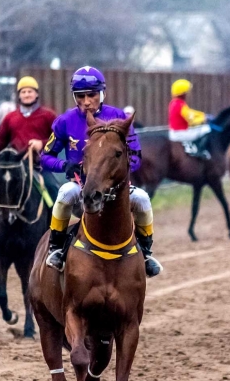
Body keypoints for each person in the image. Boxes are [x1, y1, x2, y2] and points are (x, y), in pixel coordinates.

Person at [40, 66, 161, 278]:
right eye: (80, 96)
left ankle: (147, 253)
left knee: (142, 198)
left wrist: (116, 171)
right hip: (80, 185)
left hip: (115, 187)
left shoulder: (119, 117)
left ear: (102, 93)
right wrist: (64, 165)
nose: (86, 101)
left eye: (92, 95)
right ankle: (56, 249)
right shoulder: (64, 121)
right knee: (65, 194)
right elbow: (45, 157)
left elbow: (135, 158)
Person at [0, 76, 59, 248]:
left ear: (36, 94)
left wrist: (42, 144)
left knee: (53, 192)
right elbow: (0, 141)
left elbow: (58, 139)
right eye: (23, 92)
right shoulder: (11, 118)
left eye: (30, 91)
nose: (27, 95)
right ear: (19, 95)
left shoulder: (48, 116)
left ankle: (55, 235)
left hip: (38, 166)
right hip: (14, 167)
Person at [168, 79, 211, 159]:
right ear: (183, 93)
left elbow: (190, 112)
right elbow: (191, 121)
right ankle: (200, 150)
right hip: (181, 134)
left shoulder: (175, 102)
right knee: (207, 129)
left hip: (175, 132)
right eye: (188, 92)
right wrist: (204, 119)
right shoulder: (181, 105)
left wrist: (203, 115)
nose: (189, 94)